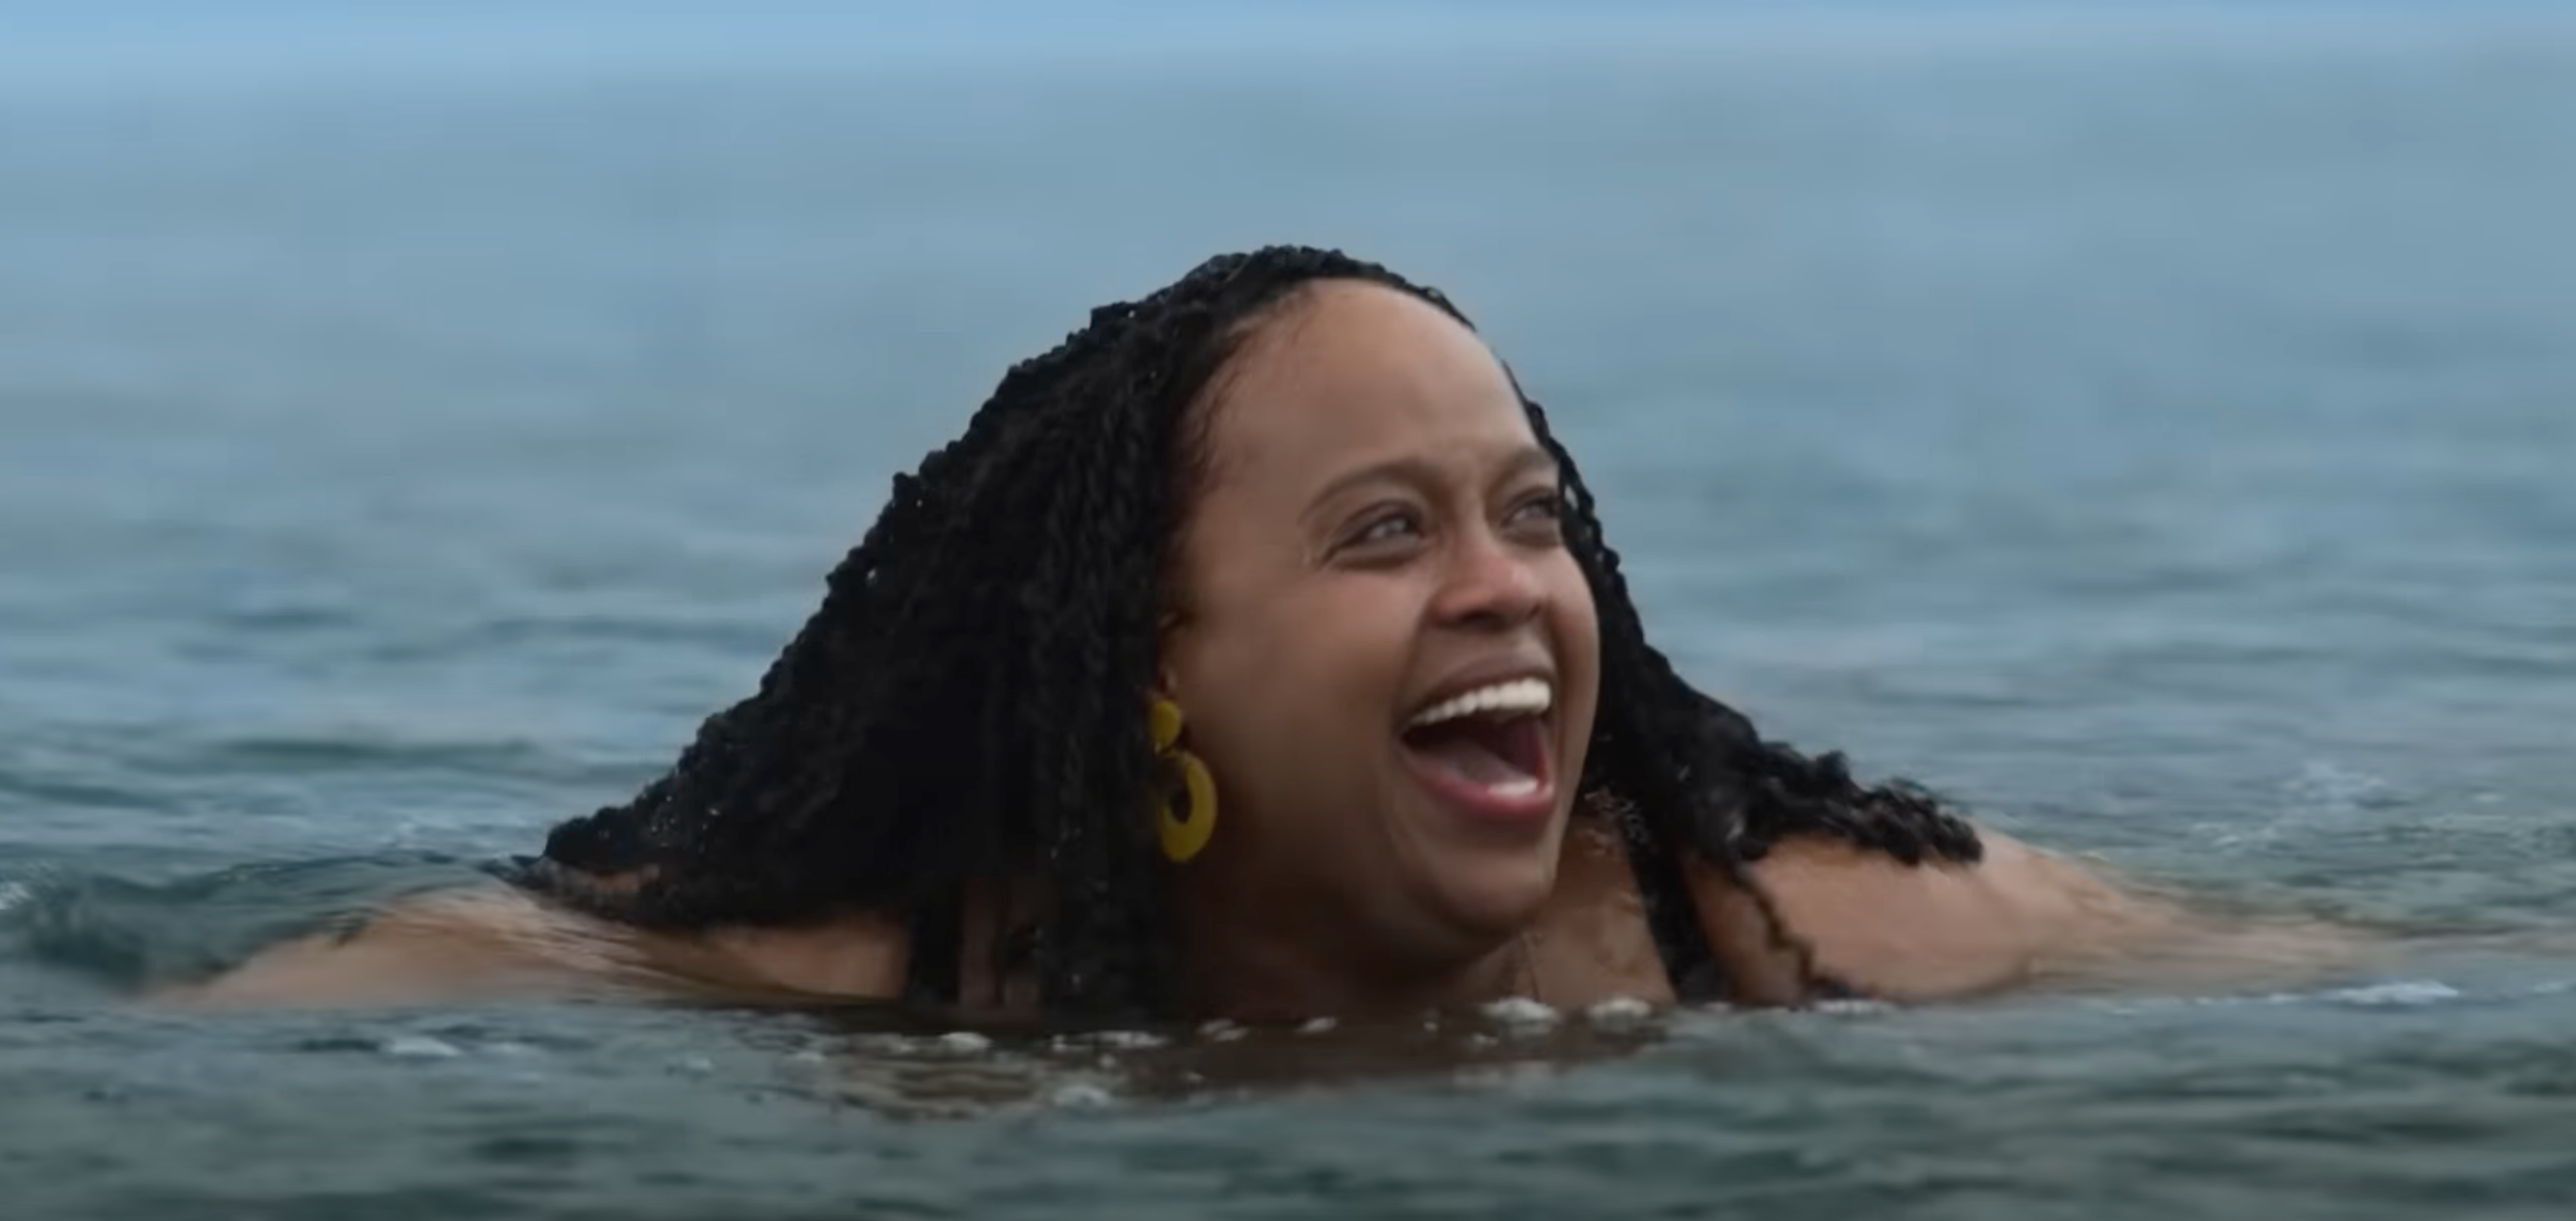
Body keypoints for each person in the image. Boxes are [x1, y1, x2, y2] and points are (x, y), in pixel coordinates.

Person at [172, 246, 2311, 1019]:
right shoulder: (859, 988)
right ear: (1152, 669)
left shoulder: (1772, 931)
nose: (1503, 584)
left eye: (1532, 514)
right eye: (1383, 531)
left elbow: (2378, 986)